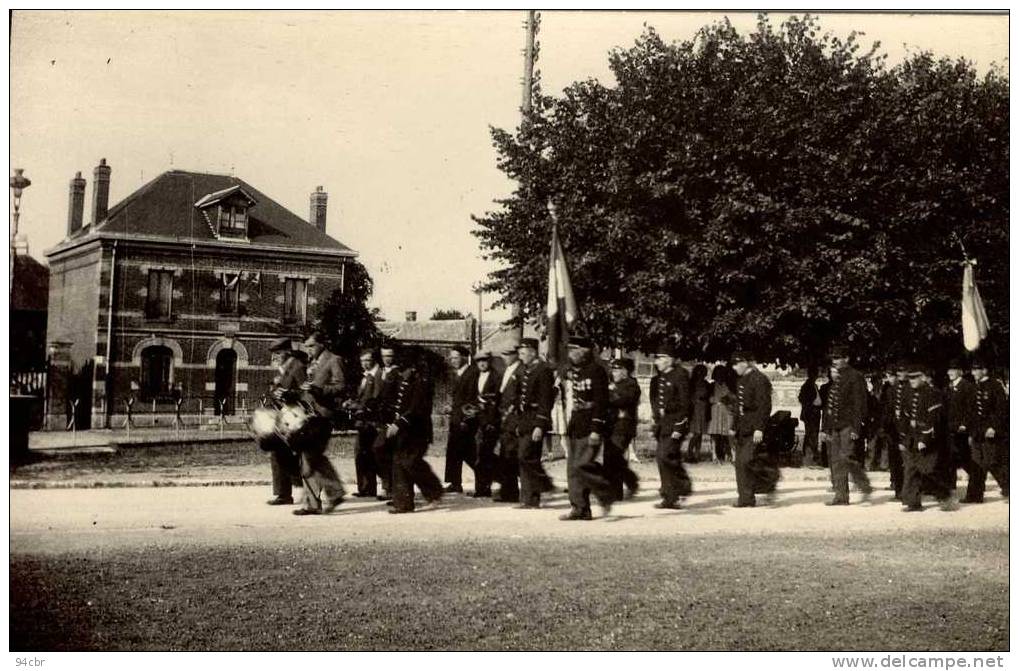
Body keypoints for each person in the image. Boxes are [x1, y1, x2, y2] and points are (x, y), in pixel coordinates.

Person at [291, 332, 346, 515]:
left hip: (323, 416)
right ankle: (324, 497)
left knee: (310, 456)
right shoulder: (312, 363)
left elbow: (341, 386)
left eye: (311, 345)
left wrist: (318, 389)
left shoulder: (334, 360)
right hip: (309, 415)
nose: (308, 349)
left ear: (322, 344)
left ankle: (327, 495)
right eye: (306, 346)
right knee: (310, 457)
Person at [561, 336, 615, 521]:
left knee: (582, 465)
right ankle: (580, 508)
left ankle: (605, 494)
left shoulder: (597, 371)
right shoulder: (575, 371)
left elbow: (601, 402)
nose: (571, 354)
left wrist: (596, 428)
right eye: (569, 350)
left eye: (574, 350)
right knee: (573, 469)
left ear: (584, 351)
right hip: (576, 424)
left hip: (590, 424)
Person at [387, 346, 445, 514]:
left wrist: (399, 424)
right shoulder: (404, 380)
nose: (401, 373)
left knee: (411, 462)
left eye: (404, 369)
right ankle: (403, 503)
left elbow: (416, 409)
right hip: (405, 430)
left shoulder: (422, 382)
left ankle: (434, 492)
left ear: (412, 368)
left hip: (418, 431)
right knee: (398, 463)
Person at [899, 364, 958, 512]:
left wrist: (924, 439)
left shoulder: (932, 393)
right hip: (912, 437)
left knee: (928, 471)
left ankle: (945, 496)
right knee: (911, 470)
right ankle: (913, 502)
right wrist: (904, 438)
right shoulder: (907, 392)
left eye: (914, 378)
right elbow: (905, 417)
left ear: (923, 378)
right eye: (910, 378)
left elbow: (934, 420)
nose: (911, 380)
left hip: (928, 439)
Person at [820, 345, 873, 506]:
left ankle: (864, 485)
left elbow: (859, 404)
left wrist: (857, 427)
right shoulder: (837, 377)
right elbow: (830, 405)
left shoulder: (855, 376)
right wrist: (826, 428)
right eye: (833, 358)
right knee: (835, 460)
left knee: (847, 457)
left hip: (848, 424)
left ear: (846, 359)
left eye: (838, 358)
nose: (835, 361)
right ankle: (841, 496)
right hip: (835, 425)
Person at [730, 350, 779, 507]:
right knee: (741, 463)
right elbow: (739, 407)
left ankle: (765, 483)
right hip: (742, 427)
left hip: (753, 427)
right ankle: (745, 498)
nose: (734, 368)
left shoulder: (759, 379)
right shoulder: (742, 380)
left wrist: (760, 428)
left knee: (746, 461)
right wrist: (733, 426)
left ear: (745, 362)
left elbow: (764, 406)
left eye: (736, 364)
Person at [262, 337, 305, 506]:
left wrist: (288, 394)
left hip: (295, 416)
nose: (275, 357)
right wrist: (275, 392)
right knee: (277, 451)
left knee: (294, 454)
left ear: (287, 351)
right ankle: (283, 493)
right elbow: (276, 389)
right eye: (274, 354)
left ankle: (301, 488)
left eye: (278, 353)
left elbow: (304, 391)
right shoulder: (283, 368)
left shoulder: (297, 366)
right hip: (283, 415)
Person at [514, 338, 556, 508]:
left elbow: (546, 401)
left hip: (536, 419)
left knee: (526, 456)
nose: (520, 356)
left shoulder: (543, 371)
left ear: (532, 352)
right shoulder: (526, 369)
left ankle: (537, 491)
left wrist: (540, 425)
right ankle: (528, 498)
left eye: (523, 353)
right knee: (525, 458)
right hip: (525, 418)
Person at [648, 344, 692, 509]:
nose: (656, 361)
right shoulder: (659, 378)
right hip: (663, 423)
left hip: (675, 423)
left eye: (659, 358)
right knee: (664, 458)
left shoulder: (680, 375)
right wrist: (655, 419)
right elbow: (656, 401)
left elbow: (685, 403)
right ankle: (670, 496)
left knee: (665, 456)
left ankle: (682, 486)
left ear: (669, 359)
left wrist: (679, 427)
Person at [966, 359, 1009, 502]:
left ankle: (1010, 489)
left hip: (990, 431)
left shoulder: (995, 386)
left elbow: (1001, 410)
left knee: (993, 462)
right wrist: (971, 432)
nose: (974, 373)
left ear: (984, 370)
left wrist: (994, 427)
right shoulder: (973, 387)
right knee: (976, 464)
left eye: (977, 369)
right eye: (972, 370)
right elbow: (971, 413)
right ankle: (974, 496)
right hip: (977, 432)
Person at [344, 348, 384, 497]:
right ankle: (366, 488)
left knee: (371, 454)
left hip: (373, 422)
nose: (364, 364)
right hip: (364, 422)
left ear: (374, 360)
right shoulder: (366, 376)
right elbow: (363, 398)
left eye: (367, 360)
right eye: (362, 361)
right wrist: (352, 402)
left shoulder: (378, 375)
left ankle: (379, 487)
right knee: (362, 453)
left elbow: (375, 400)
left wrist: (357, 406)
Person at [605, 357, 640, 500]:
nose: (614, 372)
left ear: (625, 371)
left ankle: (618, 490)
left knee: (614, 456)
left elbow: (624, 401)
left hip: (624, 426)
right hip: (611, 425)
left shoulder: (631, 384)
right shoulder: (613, 384)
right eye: (613, 369)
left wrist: (611, 393)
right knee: (613, 457)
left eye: (617, 369)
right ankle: (628, 483)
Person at [443, 346, 475, 494]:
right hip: (457, 418)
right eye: (451, 358)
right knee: (456, 451)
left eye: (455, 357)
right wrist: (452, 407)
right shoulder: (458, 374)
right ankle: (455, 483)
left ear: (464, 357)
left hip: (465, 420)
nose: (452, 360)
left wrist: (465, 419)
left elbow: (471, 399)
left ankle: (488, 479)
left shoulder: (471, 373)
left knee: (468, 453)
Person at [944, 359, 977, 500]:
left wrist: (965, 424)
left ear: (960, 372)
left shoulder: (967, 386)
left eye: (954, 370)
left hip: (961, 430)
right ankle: (950, 487)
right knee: (949, 458)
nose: (950, 372)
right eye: (949, 370)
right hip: (950, 429)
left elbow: (970, 408)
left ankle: (976, 484)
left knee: (965, 459)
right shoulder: (949, 387)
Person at [371, 344, 401, 501]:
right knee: (381, 450)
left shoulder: (398, 373)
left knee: (382, 449)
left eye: (389, 355)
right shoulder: (380, 372)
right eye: (384, 356)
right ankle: (388, 486)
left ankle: (390, 487)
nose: (387, 359)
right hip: (381, 418)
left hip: (393, 418)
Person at [471, 351, 502, 498]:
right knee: (478, 454)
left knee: (486, 454)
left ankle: (486, 487)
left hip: (490, 422)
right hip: (476, 420)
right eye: (479, 361)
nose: (482, 364)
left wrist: (491, 420)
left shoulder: (496, 377)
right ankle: (480, 487)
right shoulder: (475, 376)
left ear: (489, 362)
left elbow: (497, 401)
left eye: (484, 361)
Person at [494, 344, 523, 502]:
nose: (504, 357)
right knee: (506, 455)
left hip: (513, 418)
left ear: (515, 354)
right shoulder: (508, 370)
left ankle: (512, 493)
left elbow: (518, 396)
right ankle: (507, 491)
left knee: (511, 455)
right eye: (503, 354)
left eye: (507, 354)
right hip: (505, 418)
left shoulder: (520, 371)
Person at [707, 364, 736, 464]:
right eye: (718, 374)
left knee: (728, 433)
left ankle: (732, 454)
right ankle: (714, 455)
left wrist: (728, 399)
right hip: (715, 411)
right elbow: (708, 399)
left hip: (726, 411)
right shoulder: (711, 386)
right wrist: (714, 400)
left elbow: (734, 398)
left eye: (722, 374)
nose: (720, 376)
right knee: (714, 433)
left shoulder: (729, 386)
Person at [797, 366, 824, 467]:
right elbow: (802, 398)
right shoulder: (807, 385)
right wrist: (810, 405)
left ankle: (811, 457)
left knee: (813, 435)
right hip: (810, 414)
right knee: (811, 435)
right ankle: (810, 457)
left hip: (815, 413)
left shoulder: (814, 385)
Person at [686, 364, 710, 463]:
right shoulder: (691, 384)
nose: (701, 374)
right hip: (695, 410)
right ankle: (689, 453)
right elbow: (688, 397)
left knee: (700, 434)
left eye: (703, 372)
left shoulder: (706, 384)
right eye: (699, 372)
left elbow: (709, 396)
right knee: (696, 433)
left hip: (703, 409)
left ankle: (697, 454)